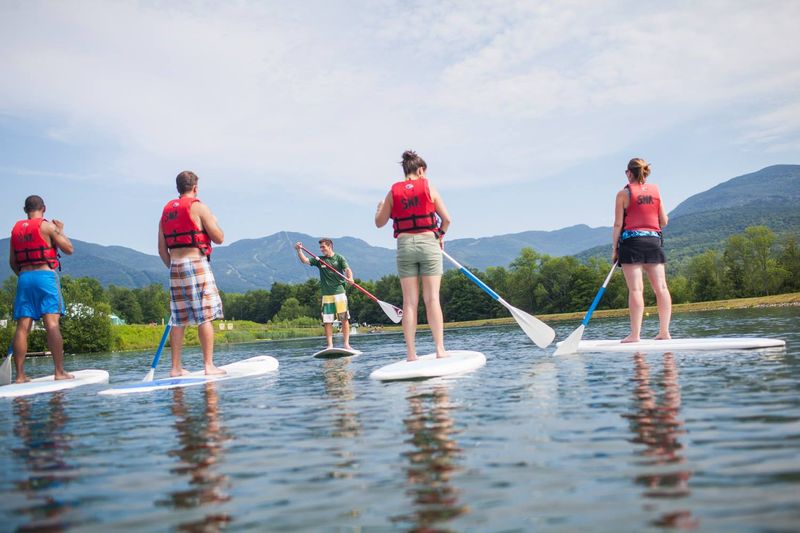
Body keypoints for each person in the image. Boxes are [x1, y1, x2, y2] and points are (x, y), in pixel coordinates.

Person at [374, 150, 451, 361]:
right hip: (429, 243)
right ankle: (439, 349)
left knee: (409, 302)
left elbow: (379, 223)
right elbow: (447, 220)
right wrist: (440, 236)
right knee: (432, 298)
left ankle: (410, 354)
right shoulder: (429, 188)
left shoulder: (393, 192)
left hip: (405, 245)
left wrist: (379, 208)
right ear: (420, 170)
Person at [158, 171, 226, 376]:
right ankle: (208, 366)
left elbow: (161, 249)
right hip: (196, 263)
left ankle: (175, 368)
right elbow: (219, 238)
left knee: (178, 319)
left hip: (175, 266)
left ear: (178, 188)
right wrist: (213, 219)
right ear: (195, 188)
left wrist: (173, 266)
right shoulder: (199, 207)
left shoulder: (166, 212)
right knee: (205, 316)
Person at [9, 195, 74, 383]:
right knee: (51, 323)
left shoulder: (15, 230)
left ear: (24, 209)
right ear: (43, 209)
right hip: (45, 276)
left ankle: (20, 375)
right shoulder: (47, 226)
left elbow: (12, 262)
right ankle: (59, 371)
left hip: (24, 278)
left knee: (22, 326)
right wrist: (61, 231)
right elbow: (69, 249)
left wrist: (24, 276)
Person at [611, 157, 672, 342]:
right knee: (661, 288)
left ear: (629, 173)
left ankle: (635, 335)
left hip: (632, 244)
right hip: (653, 243)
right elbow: (664, 221)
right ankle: (664, 333)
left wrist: (615, 250)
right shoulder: (656, 191)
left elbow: (617, 224)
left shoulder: (623, 194)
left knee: (636, 290)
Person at [294, 239, 355, 350]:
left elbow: (347, 269)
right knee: (327, 321)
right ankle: (330, 345)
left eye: (323, 247)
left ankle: (346, 344)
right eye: (320, 247)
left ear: (330, 246)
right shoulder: (319, 260)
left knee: (344, 319)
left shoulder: (339, 258)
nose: (321, 249)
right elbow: (305, 261)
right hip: (327, 295)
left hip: (339, 293)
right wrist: (299, 251)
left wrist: (350, 278)